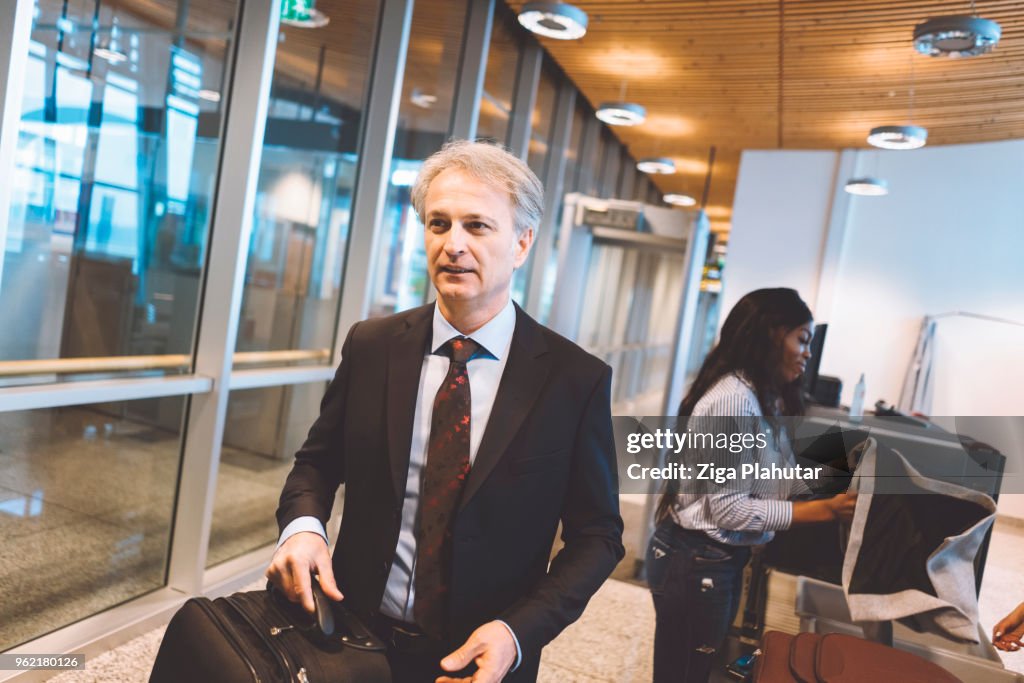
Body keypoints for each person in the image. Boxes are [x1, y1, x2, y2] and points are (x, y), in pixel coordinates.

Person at [266, 140, 625, 683]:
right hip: (351, 636)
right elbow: (317, 463)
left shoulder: (574, 379)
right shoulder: (373, 345)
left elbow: (598, 536)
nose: (453, 244)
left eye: (477, 226)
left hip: (482, 657)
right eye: (438, 224)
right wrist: (302, 526)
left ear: (522, 243)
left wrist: (518, 631)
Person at [646, 287, 857, 683]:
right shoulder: (734, 402)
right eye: (802, 339)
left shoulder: (761, 398)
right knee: (684, 673)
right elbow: (728, 509)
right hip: (695, 560)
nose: (807, 353)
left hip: (711, 559)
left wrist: (830, 470)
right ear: (770, 334)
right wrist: (821, 511)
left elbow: (766, 478)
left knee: (691, 670)